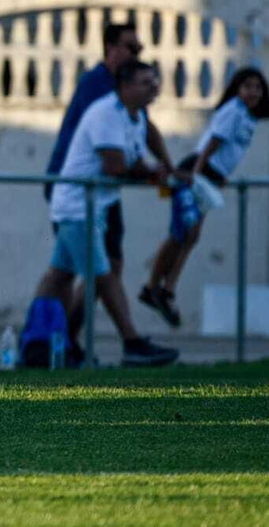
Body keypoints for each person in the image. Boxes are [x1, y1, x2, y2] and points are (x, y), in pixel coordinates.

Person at [42, 22, 176, 349]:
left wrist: (167, 166)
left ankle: (56, 341)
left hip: (101, 193)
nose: (137, 53)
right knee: (98, 270)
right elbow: (113, 161)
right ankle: (128, 342)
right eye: (132, 48)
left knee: (77, 270)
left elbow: (146, 131)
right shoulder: (100, 89)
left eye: (140, 49)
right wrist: (152, 171)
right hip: (77, 189)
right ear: (111, 49)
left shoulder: (131, 104)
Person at [141, 67, 269, 326]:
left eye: (258, 87)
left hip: (210, 175)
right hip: (199, 171)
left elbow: (229, 151)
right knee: (182, 232)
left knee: (191, 236)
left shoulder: (248, 117)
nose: (253, 92)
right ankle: (153, 286)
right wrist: (196, 175)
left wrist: (219, 176)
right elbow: (213, 142)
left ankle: (167, 288)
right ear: (237, 89)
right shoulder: (234, 110)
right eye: (247, 86)